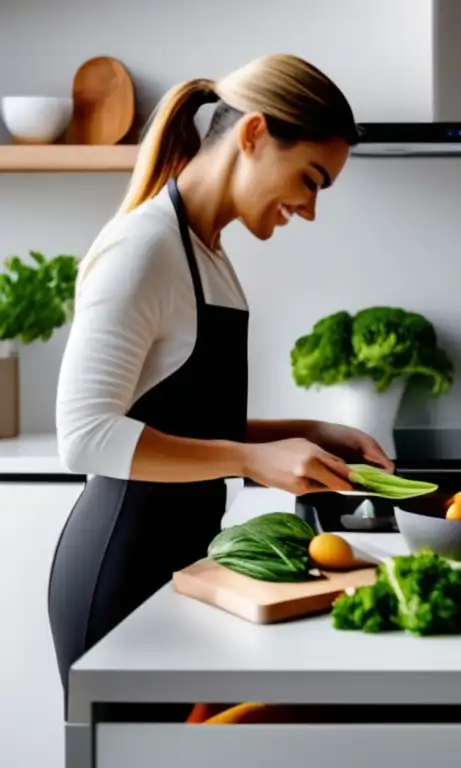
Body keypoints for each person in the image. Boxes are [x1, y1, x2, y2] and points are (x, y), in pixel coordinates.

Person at [48, 54, 393, 711]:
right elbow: (85, 438)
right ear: (255, 134)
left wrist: (306, 431)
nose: (311, 210)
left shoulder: (208, 253)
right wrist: (251, 460)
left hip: (179, 571)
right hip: (117, 581)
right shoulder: (146, 248)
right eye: (311, 179)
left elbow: (180, 421)